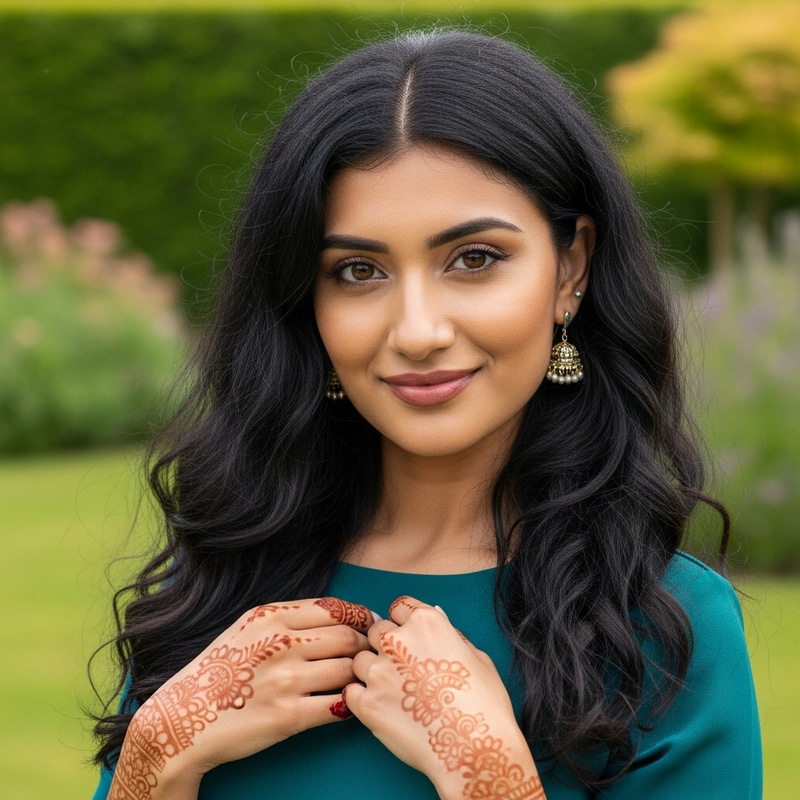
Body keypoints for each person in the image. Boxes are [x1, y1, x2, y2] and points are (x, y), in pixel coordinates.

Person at [90, 30, 761, 800]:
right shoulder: (214, 579)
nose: (416, 331)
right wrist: (154, 761)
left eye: (473, 259)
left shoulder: (666, 631)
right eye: (358, 271)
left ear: (570, 267)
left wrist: (492, 780)